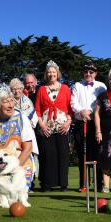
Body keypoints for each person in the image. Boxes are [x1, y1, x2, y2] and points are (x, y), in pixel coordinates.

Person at [0, 84, 34, 188]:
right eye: (6, 102)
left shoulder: (21, 118)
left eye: (12, 100)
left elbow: (28, 148)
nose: (11, 105)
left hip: (20, 164)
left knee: (16, 195)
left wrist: (14, 169)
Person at [35, 60, 72, 192]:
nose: (51, 74)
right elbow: (37, 110)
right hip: (46, 129)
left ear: (57, 73)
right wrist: (42, 126)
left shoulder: (66, 89)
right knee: (47, 155)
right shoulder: (41, 89)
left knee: (63, 154)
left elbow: (70, 109)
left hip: (62, 128)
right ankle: (46, 184)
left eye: (53, 72)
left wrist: (68, 123)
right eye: (49, 72)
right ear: (46, 74)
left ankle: (63, 184)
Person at [71, 61, 107, 192]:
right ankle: (83, 184)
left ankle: (98, 184)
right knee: (82, 155)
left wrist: (92, 114)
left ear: (95, 73)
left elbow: (104, 103)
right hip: (81, 123)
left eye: (91, 72)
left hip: (96, 124)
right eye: (86, 72)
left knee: (96, 154)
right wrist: (81, 111)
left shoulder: (101, 86)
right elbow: (73, 103)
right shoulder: (76, 85)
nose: (88, 74)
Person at [10, 78, 39, 190]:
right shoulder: (9, 101)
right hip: (14, 134)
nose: (16, 91)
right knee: (16, 155)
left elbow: (34, 115)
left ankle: (29, 183)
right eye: (14, 89)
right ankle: (14, 183)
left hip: (27, 133)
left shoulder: (27, 101)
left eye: (18, 88)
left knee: (29, 156)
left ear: (22, 89)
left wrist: (32, 122)